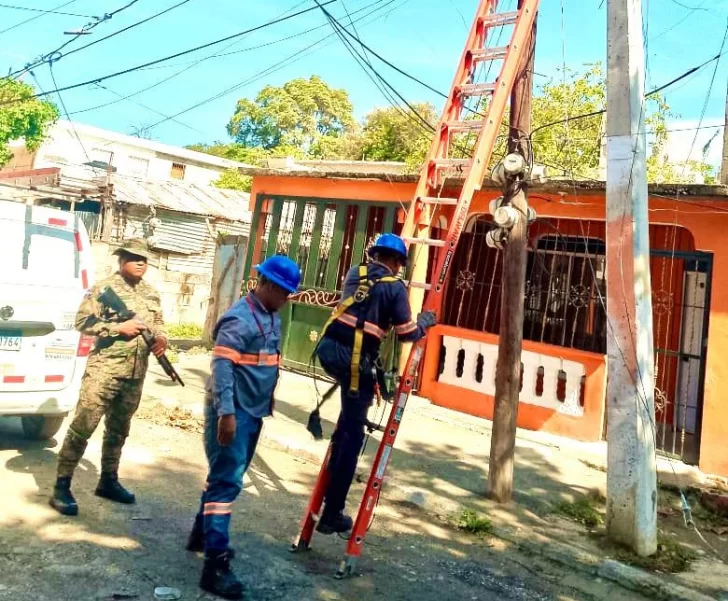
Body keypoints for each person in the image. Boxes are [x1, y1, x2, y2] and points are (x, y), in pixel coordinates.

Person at [186, 255, 300, 601]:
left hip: (253, 412)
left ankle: (200, 536)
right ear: (267, 285)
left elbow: (263, 365)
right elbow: (222, 368)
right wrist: (226, 415)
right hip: (233, 412)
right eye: (284, 293)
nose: (287, 300)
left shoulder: (270, 316)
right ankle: (214, 567)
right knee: (226, 484)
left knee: (223, 476)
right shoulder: (240, 318)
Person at [313, 233, 437, 534]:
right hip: (354, 363)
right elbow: (408, 333)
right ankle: (332, 513)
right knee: (353, 440)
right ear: (397, 262)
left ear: (374, 254)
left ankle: (331, 490)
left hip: (329, 351)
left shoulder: (356, 273)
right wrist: (424, 321)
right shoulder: (394, 288)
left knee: (348, 426)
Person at [50, 239, 167, 516]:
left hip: (135, 374)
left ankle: (108, 480)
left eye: (145, 259)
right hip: (104, 372)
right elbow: (82, 322)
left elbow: (158, 321)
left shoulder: (150, 293)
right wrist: (118, 328)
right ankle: (61, 486)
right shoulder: (104, 288)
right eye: (135, 257)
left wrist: (161, 337)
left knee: (118, 430)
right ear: (121, 259)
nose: (141, 263)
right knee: (83, 427)